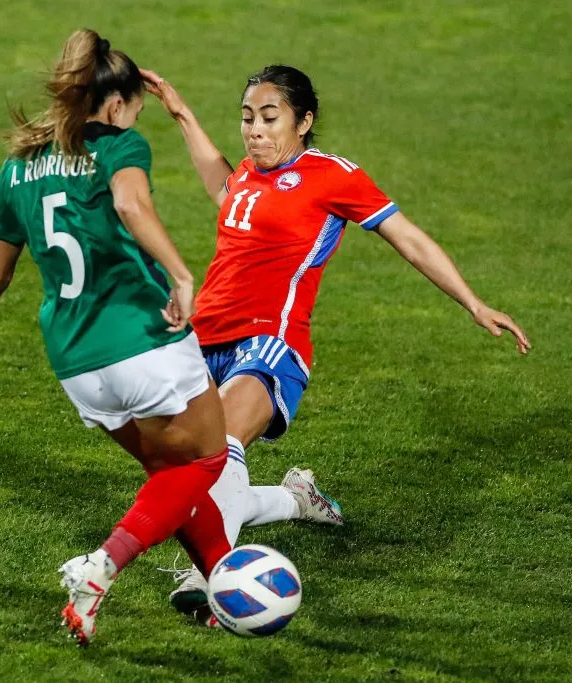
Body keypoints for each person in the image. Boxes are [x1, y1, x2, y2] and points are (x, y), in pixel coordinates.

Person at [0, 30, 254, 646]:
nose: (135, 119)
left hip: (76, 361)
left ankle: (222, 587)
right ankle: (101, 565)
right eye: (133, 108)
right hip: (143, 336)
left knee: (169, 473)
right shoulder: (119, 146)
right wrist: (183, 275)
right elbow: (132, 207)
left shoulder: (18, 166)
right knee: (209, 459)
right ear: (113, 106)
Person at [141, 64, 532, 617]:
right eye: (247, 118)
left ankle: (209, 571)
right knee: (184, 470)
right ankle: (294, 499)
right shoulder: (246, 181)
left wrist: (473, 301)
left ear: (305, 120)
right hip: (204, 343)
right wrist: (180, 112)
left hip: (271, 343)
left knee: (219, 446)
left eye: (270, 118)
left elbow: (408, 238)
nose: (255, 130)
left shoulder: (331, 176)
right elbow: (220, 183)